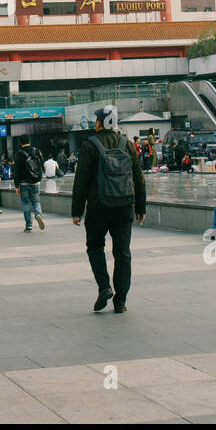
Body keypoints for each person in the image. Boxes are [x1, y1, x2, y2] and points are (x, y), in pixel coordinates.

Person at [71, 105, 146, 314]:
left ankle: (104, 287)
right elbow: (139, 178)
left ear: (101, 122)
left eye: (96, 120)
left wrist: (76, 210)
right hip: (124, 207)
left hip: (98, 207)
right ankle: (120, 301)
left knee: (95, 247)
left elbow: (81, 180)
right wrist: (141, 207)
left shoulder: (90, 145)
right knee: (123, 254)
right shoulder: (128, 145)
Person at [14, 136, 46, 233]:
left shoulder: (19, 154)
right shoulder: (36, 151)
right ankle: (38, 214)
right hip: (35, 182)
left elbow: (16, 171)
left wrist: (16, 186)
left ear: (21, 143)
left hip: (24, 183)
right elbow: (42, 164)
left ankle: (29, 226)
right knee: (36, 201)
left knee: (26, 203)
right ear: (30, 141)